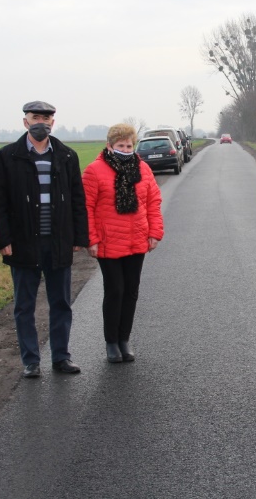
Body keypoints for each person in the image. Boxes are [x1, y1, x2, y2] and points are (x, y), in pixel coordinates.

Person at [0, 101, 89, 378]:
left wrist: (79, 235)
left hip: (58, 241)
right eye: (36, 117)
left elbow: (77, 198)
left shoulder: (67, 156)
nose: (41, 122)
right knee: (24, 305)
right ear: (25, 122)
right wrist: (2, 238)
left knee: (61, 303)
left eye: (46, 118)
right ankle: (31, 360)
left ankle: (61, 357)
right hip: (23, 242)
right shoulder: (7, 156)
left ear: (53, 123)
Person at [82, 124, 163, 363]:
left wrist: (155, 232)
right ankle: (111, 342)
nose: (125, 149)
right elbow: (86, 207)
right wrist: (91, 239)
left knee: (131, 291)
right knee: (115, 290)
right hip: (108, 241)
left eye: (129, 145)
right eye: (120, 146)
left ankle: (124, 339)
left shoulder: (144, 169)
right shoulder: (94, 171)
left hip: (137, 239)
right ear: (109, 146)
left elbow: (153, 202)